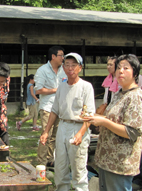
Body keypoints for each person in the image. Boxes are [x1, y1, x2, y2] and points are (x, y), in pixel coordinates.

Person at [83, 54, 142, 191]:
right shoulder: (118, 93)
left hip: (120, 162)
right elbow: (111, 119)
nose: (120, 71)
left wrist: (104, 122)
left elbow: (132, 132)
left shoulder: (135, 96)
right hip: (107, 159)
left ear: (135, 72)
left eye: (126, 68)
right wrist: (94, 117)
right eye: (118, 68)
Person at [40, 53, 95, 191]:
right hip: (63, 127)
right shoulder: (61, 87)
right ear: (63, 68)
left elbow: (89, 116)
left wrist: (81, 134)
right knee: (60, 166)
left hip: (78, 127)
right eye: (67, 65)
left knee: (78, 167)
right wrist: (46, 131)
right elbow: (54, 111)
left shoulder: (86, 87)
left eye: (74, 65)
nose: (70, 68)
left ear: (80, 68)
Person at [34, 45, 67, 167]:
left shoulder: (63, 70)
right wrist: (56, 90)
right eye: (61, 55)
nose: (63, 58)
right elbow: (38, 90)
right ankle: (41, 162)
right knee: (45, 135)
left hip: (60, 108)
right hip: (47, 107)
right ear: (53, 56)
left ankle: (49, 160)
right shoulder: (42, 70)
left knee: (55, 136)